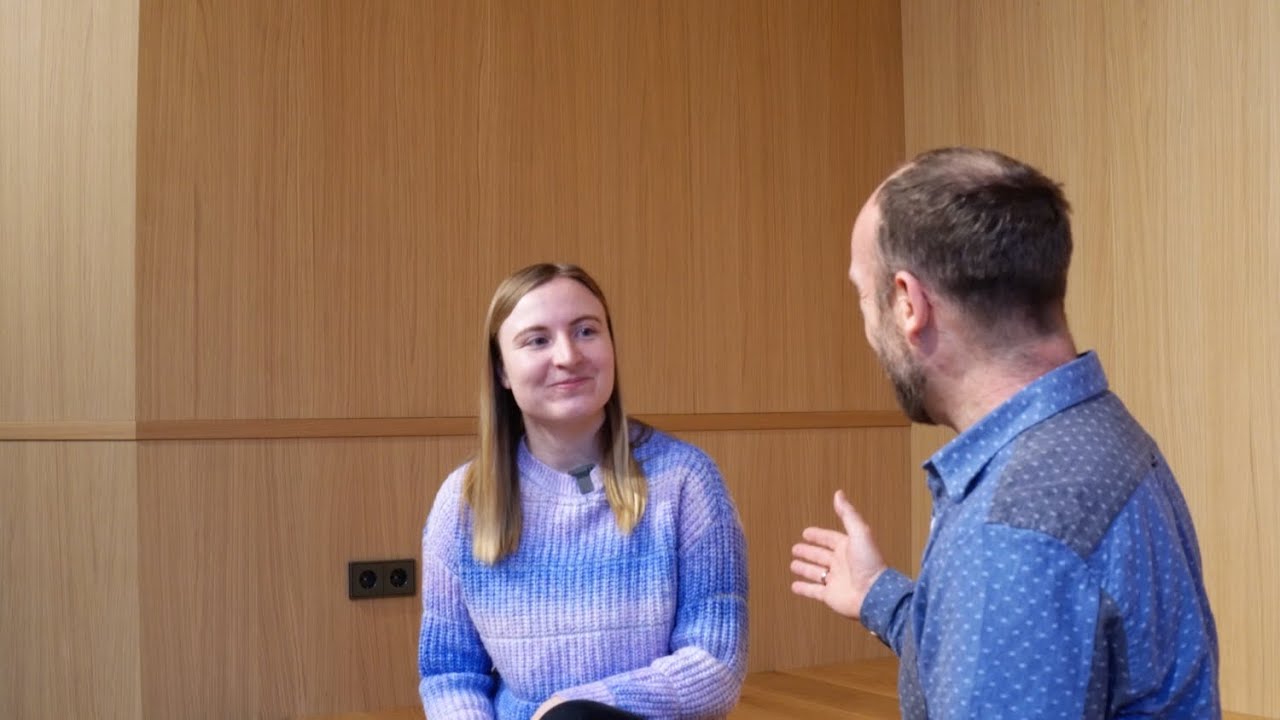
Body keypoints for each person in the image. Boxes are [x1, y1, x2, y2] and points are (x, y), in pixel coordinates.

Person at [790, 148, 1220, 718]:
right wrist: (879, 596)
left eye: (864, 296)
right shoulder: (1101, 437)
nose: (867, 326)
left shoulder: (1015, 529)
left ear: (909, 303)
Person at [418, 263, 749, 720]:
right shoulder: (463, 502)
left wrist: (579, 709)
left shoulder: (686, 480)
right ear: (502, 370)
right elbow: (450, 675)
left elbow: (715, 665)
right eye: (537, 340)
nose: (568, 356)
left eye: (586, 331)